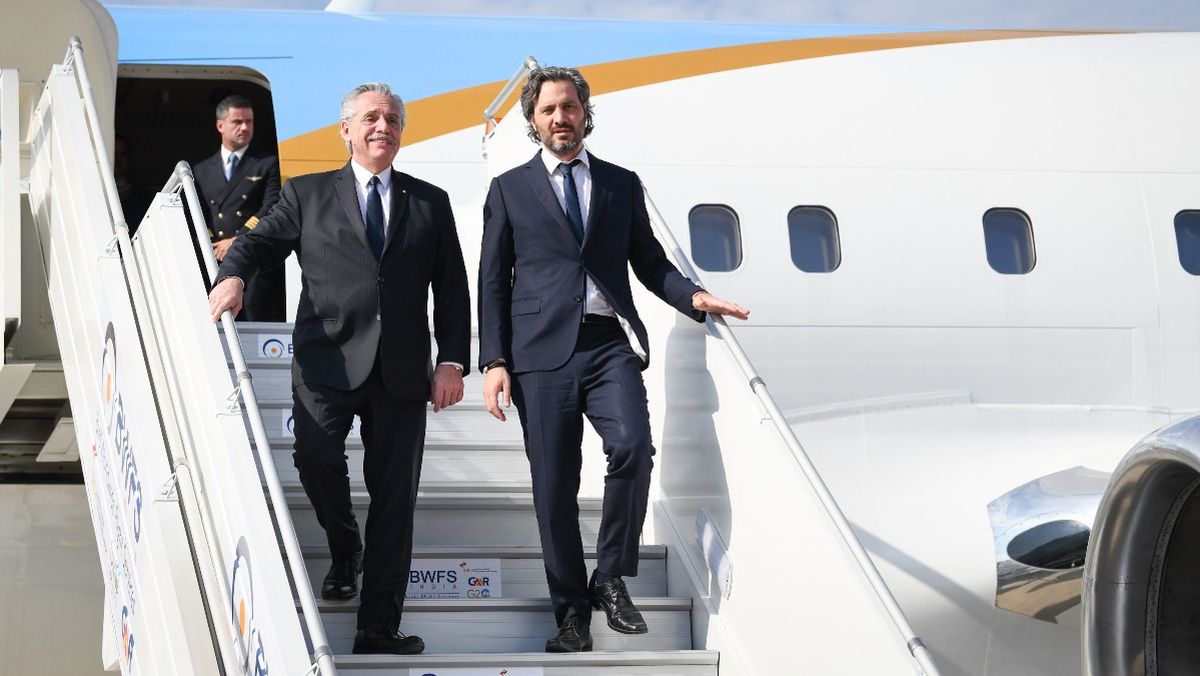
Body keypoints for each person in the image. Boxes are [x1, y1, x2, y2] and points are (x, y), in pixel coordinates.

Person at [477, 66, 749, 653]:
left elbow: (648, 260)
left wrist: (693, 297)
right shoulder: (509, 189)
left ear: (584, 112)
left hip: (606, 344)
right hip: (538, 355)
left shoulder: (620, 183)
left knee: (631, 446)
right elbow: (493, 280)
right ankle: (571, 614)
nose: (560, 118)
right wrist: (493, 359)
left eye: (569, 107)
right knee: (555, 485)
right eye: (548, 110)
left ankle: (609, 576)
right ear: (533, 121)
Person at [209, 82, 471, 655]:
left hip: (402, 371)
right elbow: (259, 244)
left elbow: (452, 290)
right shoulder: (307, 194)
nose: (383, 126)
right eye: (371, 118)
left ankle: (378, 627)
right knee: (316, 456)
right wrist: (231, 276)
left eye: (393, 119)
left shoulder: (431, 202)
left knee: (394, 497)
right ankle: (344, 544)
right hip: (326, 359)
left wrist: (451, 362)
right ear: (346, 131)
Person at [193, 94, 285, 321]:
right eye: (237, 122)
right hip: (214, 258)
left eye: (249, 122)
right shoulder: (201, 169)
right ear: (220, 125)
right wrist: (213, 243)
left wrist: (237, 240)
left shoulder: (267, 163)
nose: (245, 127)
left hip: (252, 259)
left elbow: (271, 205)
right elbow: (197, 212)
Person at [113, 134, 155, 234]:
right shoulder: (98, 198)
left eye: (123, 154)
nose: (117, 159)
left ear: (129, 159)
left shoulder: (146, 199)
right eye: (114, 154)